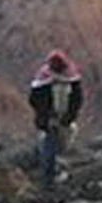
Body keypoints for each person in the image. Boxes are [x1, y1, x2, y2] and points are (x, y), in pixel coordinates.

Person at [29, 50, 83, 187]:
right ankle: (48, 178)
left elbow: (77, 100)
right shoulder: (42, 83)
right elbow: (35, 101)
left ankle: (58, 173)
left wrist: (69, 116)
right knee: (50, 145)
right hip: (49, 120)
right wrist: (45, 118)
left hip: (65, 118)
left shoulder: (72, 81)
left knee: (65, 144)